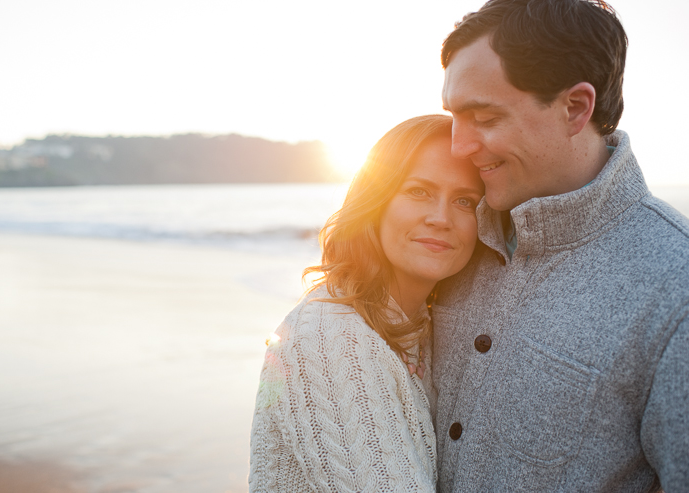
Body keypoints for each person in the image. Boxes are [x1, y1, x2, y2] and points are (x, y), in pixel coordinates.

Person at [432, 0, 689, 491]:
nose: (458, 146)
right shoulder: (452, 240)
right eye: (454, 118)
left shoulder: (675, 289)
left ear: (575, 108)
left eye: (483, 117)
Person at [248, 115, 484, 492]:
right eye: (419, 191)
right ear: (376, 201)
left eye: (464, 201)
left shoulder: (416, 323)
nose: (441, 218)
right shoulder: (332, 338)